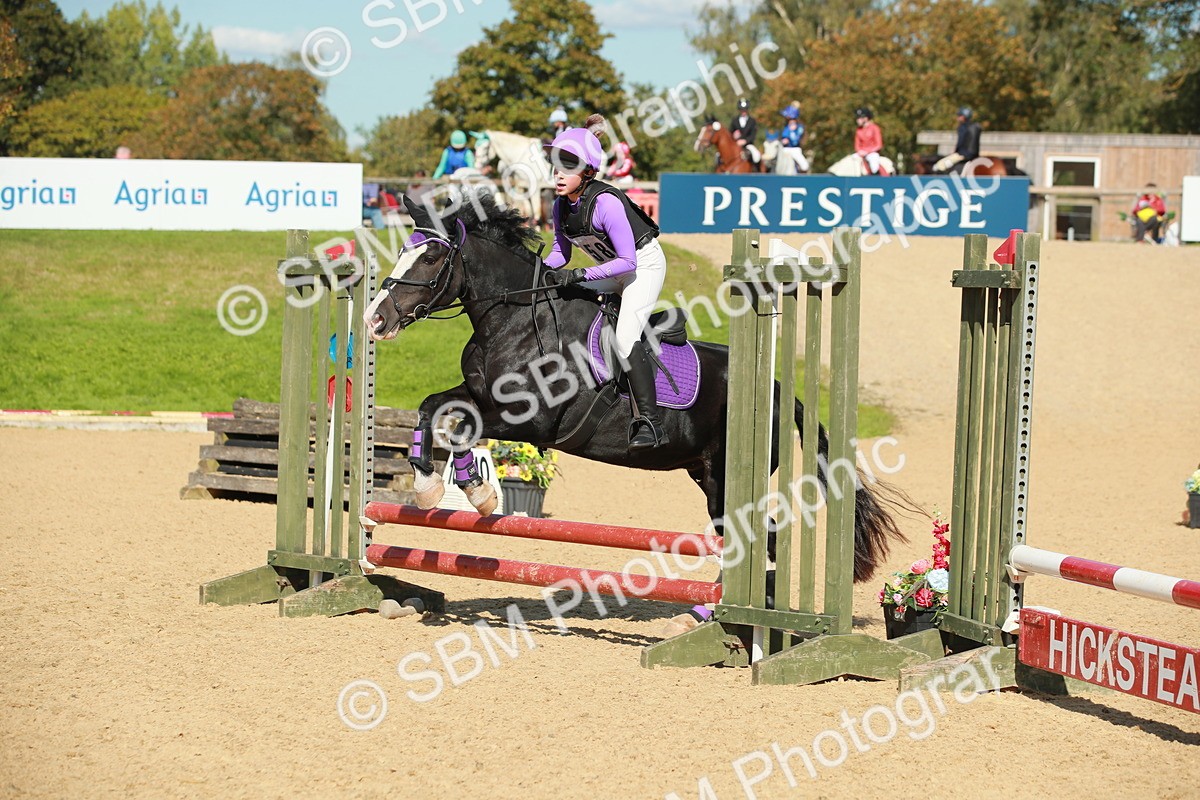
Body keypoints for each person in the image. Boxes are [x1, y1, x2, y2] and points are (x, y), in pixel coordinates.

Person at [542, 114, 669, 451]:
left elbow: (628, 261)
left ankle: (651, 423)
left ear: (587, 172)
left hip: (644, 267)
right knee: (564, 294)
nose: (558, 173)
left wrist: (582, 275)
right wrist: (539, 269)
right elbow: (560, 253)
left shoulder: (606, 202)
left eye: (567, 166)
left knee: (626, 337)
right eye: (555, 164)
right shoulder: (560, 206)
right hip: (613, 273)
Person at [934, 107, 982, 174]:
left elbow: (960, 142)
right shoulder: (975, 126)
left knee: (939, 166)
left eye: (959, 116)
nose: (958, 118)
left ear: (963, 117)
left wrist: (956, 152)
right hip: (974, 155)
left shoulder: (963, 127)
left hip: (963, 155)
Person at [777, 102, 809, 174]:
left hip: (794, 149)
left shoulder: (799, 127)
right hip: (784, 149)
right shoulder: (786, 127)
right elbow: (782, 138)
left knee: (805, 166)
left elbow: (795, 140)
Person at [730, 98, 760, 166]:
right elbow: (730, 132)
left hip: (748, 144)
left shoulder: (752, 121)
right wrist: (734, 136)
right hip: (735, 144)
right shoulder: (735, 120)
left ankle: (757, 171)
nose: (743, 111)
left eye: (745, 109)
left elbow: (753, 135)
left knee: (756, 156)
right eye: (742, 109)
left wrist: (745, 141)